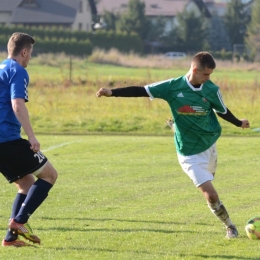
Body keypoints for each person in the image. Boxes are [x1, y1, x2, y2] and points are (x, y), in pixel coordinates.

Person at [96, 52, 250, 239]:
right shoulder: (172, 87)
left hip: (209, 143)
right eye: (206, 74)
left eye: (210, 75)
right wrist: (112, 93)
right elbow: (141, 90)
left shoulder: (211, 89)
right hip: (188, 152)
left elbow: (222, 111)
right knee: (211, 195)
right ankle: (230, 226)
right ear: (195, 70)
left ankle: (177, 127)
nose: (208, 78)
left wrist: (238, 122)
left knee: (211, 179)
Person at [0, 32, 58, 247]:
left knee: (26, 183)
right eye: (30, 53)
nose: (30, 58)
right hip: (7, 139)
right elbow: (17, 104)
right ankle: (20, 222)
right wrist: (31, 136)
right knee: (50, 175)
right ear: (24, 51)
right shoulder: (18, 71)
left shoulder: (1, 68)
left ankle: (10, 239)